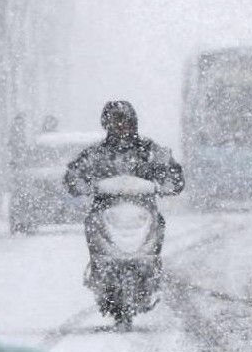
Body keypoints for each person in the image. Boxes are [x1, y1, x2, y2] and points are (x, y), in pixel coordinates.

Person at [64, 101, 184, 279]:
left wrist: (167, 184)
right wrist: (81, 185)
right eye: (115, 122)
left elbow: (172, 171)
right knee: (91, 223)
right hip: (104, 210)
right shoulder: (96, 153)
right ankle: (97, 267)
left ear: (133, 123)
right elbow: (74, 174)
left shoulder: (149, 150)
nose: (121, 126)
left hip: (143, 210)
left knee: (158, 223)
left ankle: (153, 265)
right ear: (107, 124)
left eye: (125, 121)